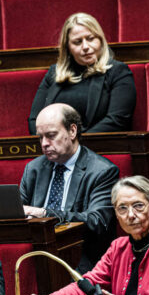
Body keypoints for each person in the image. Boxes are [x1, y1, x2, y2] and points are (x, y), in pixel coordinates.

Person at [23, 175, 149, 295]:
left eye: (138, 206)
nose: (131, 215)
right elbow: (88, 284)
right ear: (115, 213)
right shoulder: (118, 247)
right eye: (122, 208)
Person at [21, 103, 119, 272]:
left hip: (80, 258)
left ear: (72, 131)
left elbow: (97, 222)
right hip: (35, 253)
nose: (44, 143)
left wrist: (45, 214)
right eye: (40, 137)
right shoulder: (34, 168)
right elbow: (19, 210)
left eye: (51, 135)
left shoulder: (102, 171)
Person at [28, 12, 136, 135]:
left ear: (100, 40)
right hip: (54, 149)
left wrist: (75, 144)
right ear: (67, 47)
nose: (85, 46)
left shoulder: (118, 72)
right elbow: (34, 120)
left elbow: (117, 120)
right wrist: (51, 141)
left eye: (90, 39)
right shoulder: (54, 73)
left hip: (98, 148)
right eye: (77, 42)